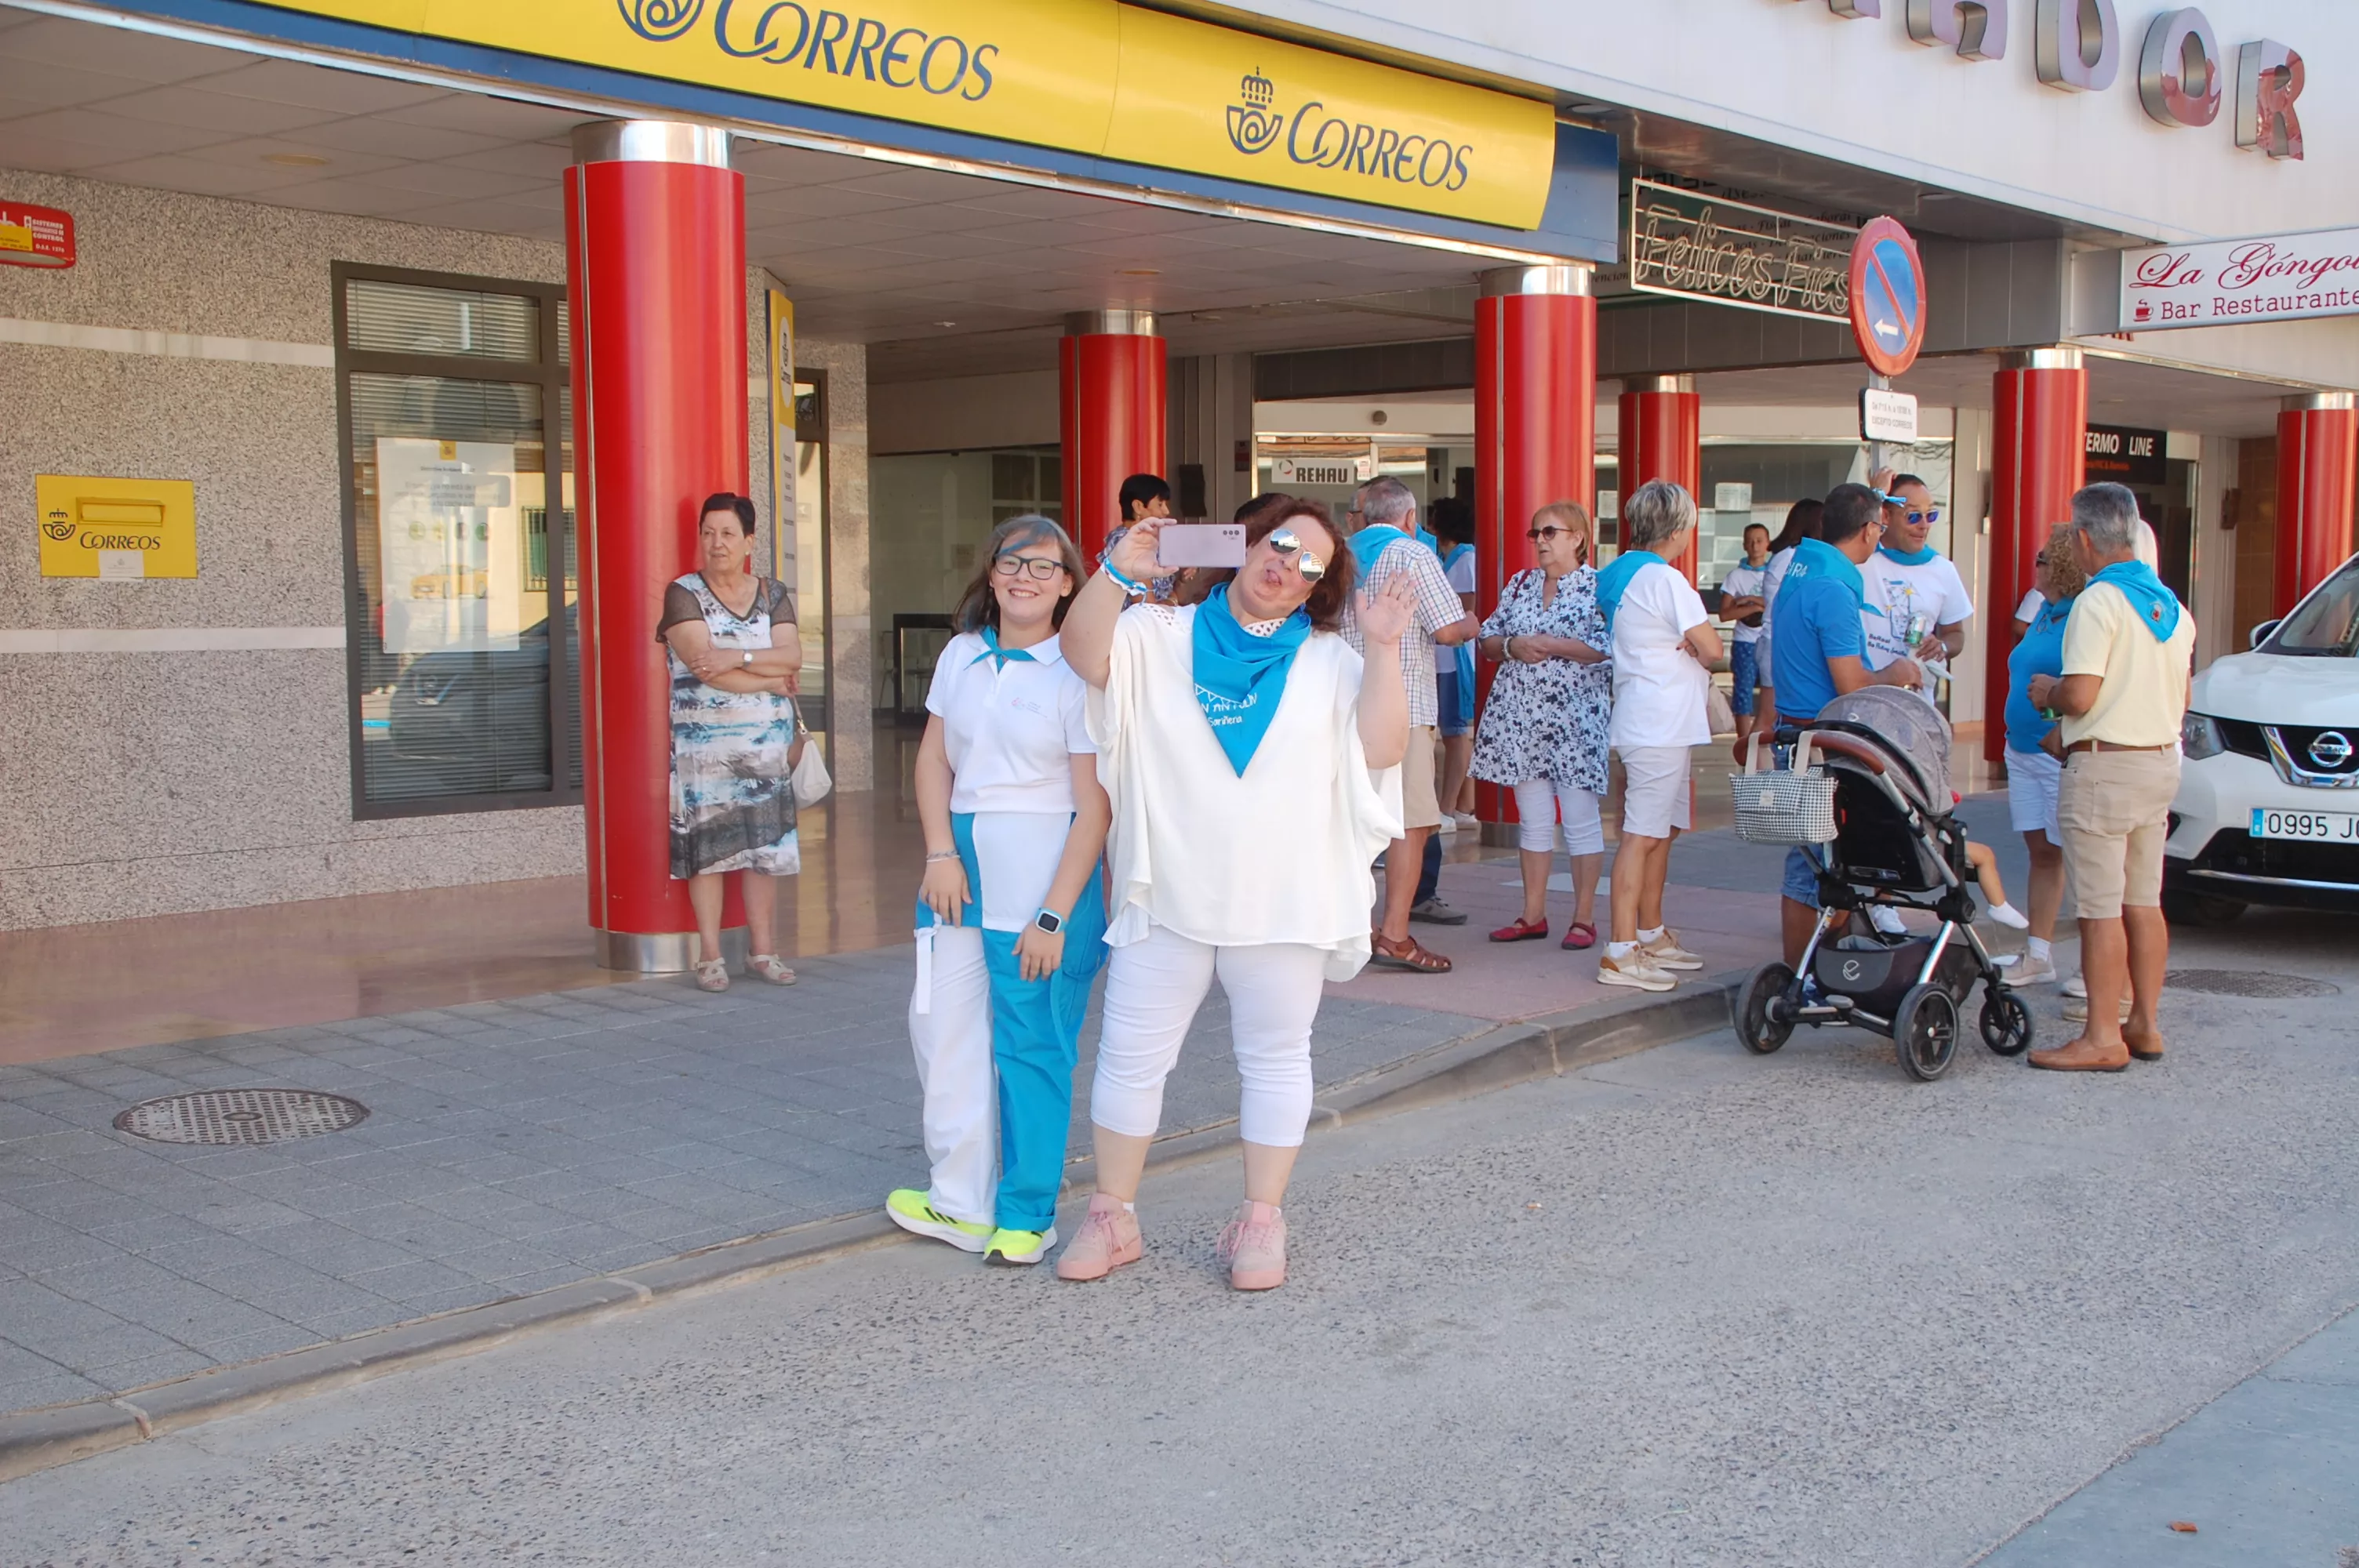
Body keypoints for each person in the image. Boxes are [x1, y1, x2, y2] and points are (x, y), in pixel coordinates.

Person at [1057, 500, 1414, 1291]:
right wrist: (1117, 572)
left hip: (1282, 900)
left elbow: (1384, 746)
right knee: (1129, 1057)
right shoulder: (1159, 631)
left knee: (1276, 1058)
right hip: (1168, 890)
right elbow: (1083, 654)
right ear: (1247, 544)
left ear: (1317, 589)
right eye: (1280, 544)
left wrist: (1385, 646)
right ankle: (1112, 1213)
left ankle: (1260, 1219)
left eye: (1310, 564)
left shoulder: (1329, 661)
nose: (1287, 565)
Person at [888, 515, 1110, 1267]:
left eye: (1044, 567)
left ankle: (1026, 1214)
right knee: (940, 1028)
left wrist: (1055, 914)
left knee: (1031, 1046)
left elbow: (1094, 808)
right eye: (1012, 562)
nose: (1025, 577)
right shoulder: (960, 655)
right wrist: (939, 851)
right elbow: (932, 761)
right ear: (991, 574)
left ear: (1068, 584)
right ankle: (959, 1201)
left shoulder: (1075, 673)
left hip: (1039, 880)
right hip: (955, 871)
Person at [2025, 482, 2196, 1073]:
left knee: (2099, 907)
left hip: (2105, 766)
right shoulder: (2171, 606)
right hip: (2158, 762)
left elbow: (2081, 693)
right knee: (2144, 901)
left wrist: (2050, 693)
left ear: (2083, 539)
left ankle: (2101, 1036)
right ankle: (2144, 1022)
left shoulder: (2099, 601)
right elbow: (2182, 696)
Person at [1767, 482, 1926, 966]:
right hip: (1821, 743)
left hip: (1798, 733)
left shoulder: (1799, 571)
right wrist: (1896, 673)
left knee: (1819, 864)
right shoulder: (1833, 590)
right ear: (1868, 530)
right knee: (1814, 870)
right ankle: (1803, 975)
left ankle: (1811, 971)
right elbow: (1850, 683)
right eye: (1881, 526)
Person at [657, 492, 805, 993]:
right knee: (709, 848)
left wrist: (737, 657)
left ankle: (763, 952)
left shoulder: (773, 592)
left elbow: (793, 655)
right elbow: (704, 667)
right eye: (707, 533)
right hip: (704, 748)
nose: (716, 543)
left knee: (764, 846)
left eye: (726, 533)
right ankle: (710, 955)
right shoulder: (683, 593)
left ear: (748, 541)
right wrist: (768, 677)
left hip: (765, 744)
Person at [1340, 477, 1481, 974]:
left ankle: (1349, 929)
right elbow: (1448, 630)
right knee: (1411, 823)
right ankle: (1395, 935)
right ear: (1409, 517)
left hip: (1342, 706)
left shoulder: (1338, 554)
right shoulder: (1413, 553)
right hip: (1404, 708)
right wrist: (1473, 623)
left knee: (1348, 821)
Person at [1594, 480, 1722, 992]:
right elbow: (1711, 648)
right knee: (1642, 834)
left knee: (1660, 829)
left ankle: (1648, 932)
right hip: (1661, 721)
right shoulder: (1666, 580)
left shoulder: (1617, 574)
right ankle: (1621, 950)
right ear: (1677, 529)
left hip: (1648, 716)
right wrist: (1692, 646)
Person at [1470, 502, 1612, 951]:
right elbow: (1487, 638)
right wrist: (1513, 645)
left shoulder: (1598, 587)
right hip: (1521, 719)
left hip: (1575, 721)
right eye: (1536, 534)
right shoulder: (1520, 583)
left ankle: (1584, 918)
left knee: (1580, 819)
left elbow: (1607, 647)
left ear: (1578, 537)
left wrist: (1552, 644)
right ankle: (1532, 914)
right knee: (1532, 819)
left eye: (1550, 532)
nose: (1541, 541)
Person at [1997, 524, 2084, 986]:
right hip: (2023, 751)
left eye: (2041, 559)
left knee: (2080, 857)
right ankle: (2038, 955)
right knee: (2042, 853)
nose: (2035, 565)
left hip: (2057, 754)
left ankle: (2096, 965)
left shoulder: (2082, 615)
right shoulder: (2045, 611)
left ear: (2061, 566)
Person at [1860, 470, 1972, 700]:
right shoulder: (1861, 558)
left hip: (1915, 704)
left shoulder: (1943, 569)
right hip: (1863, 699)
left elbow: (1955, 634)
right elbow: (1847, 533)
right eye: (1913, 516)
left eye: (1931, 515)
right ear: (1886, 516)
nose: (1924, 525)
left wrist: (1942, 647)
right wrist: (1875, 496)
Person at [1430, 496, 1481, 835]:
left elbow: (1466, 607)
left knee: (1456, 733)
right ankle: (1464, 806)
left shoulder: (1465, 558)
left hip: (1456, 658)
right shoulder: (1450, 557)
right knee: (1455, 733)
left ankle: (1447, 807)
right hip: (1445, 656)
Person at [1753, 498, 1823, 728]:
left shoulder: (1787, 556)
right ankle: (1754, 752)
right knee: (1769, 715)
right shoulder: (1794, 557)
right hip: (1779, 642)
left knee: (1776, 715)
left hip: (1777, 641)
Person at [1717, 521, 1772, 757]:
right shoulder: (1735, 576)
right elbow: (1725, 613)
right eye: (1750, 541)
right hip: (1745, 642)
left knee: (1773, 693)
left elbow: (1777, 604)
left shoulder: (1775, 573)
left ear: (1768, 543)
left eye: (1759, 540)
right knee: (1743, 694)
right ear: (1744, 545)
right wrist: (1755, 608)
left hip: (1770, 640)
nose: (1755, 545)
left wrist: (1751, 600)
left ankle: (1767, 742)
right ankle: (1744, 748)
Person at [1098, 472, 1176, 604]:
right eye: (1160, 504)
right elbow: (1146, 606)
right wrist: (1174, 600)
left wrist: (1182, 580)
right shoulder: (1126, 542)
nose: (1166, 511)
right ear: (1138, 507)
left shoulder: (1146, 539)